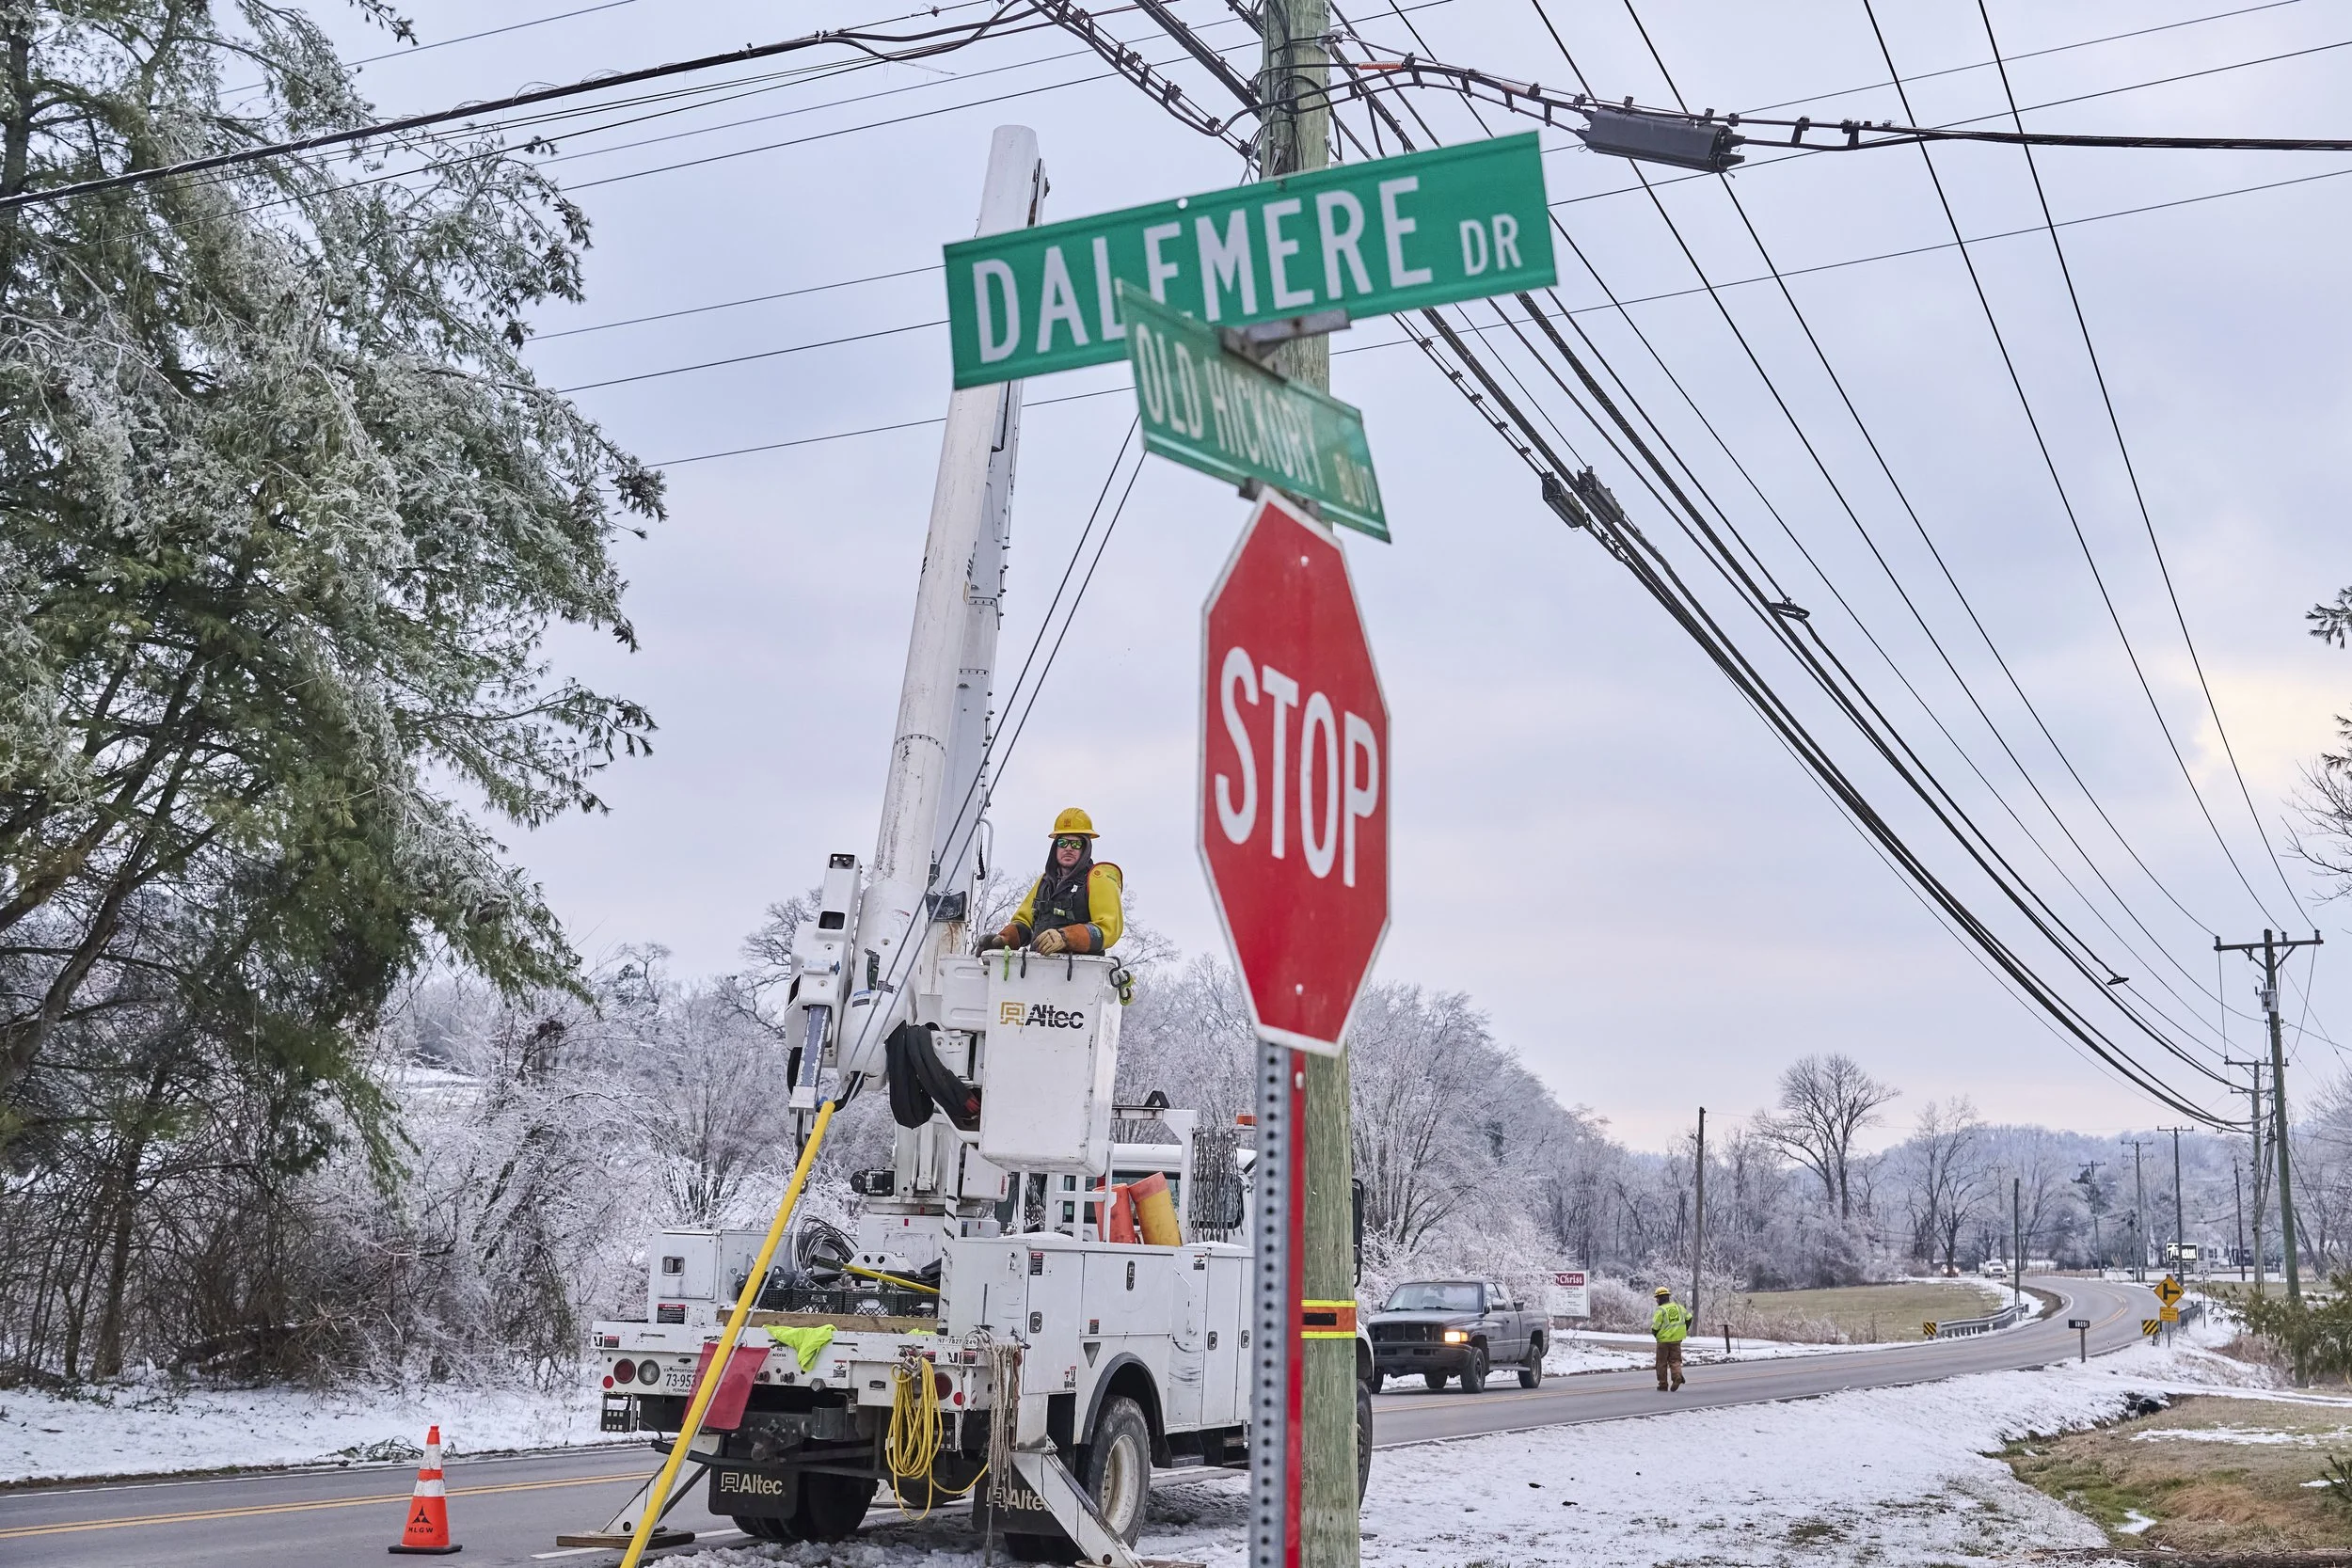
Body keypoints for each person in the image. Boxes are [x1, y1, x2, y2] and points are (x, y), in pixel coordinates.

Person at [977, 808, 1123, 956]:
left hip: (1081, 972)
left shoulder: (1097, 879)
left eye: (1076, 844)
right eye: (1062, 842)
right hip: (1037, 968)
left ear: (1085, 848)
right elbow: (1025, 922)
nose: (1068, 848)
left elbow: (1108, 928)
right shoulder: (1045, 882)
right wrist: (1005, 939)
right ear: (1055, 847)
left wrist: (1066, 937)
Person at [1651, 1285, 1691, 1392]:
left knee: (1661, 1363)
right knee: (1675, 1360)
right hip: (1677, 1340)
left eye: (1657, 1298)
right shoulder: (1678, 1307)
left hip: (1663, 1341)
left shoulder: (1661, 1310)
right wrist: (1683, 1329)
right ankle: (1677, 1376)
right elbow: (1689, 1318)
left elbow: (1655, 1327)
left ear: (1660, 1298)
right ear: (1668, 1297)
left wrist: (1656, 1335)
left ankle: (1663, 1385)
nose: (1656, 1300)